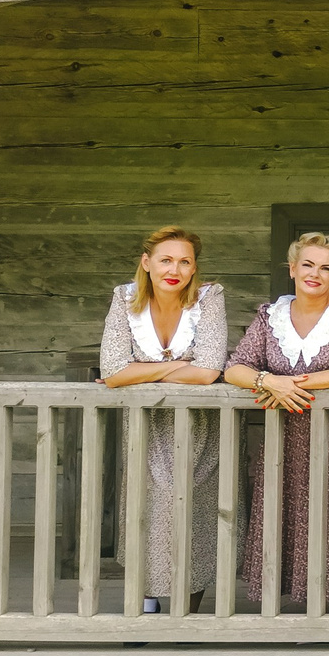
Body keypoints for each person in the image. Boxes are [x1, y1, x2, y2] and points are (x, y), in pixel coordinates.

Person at [226, 232, 329, 612]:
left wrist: (290, 385)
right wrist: (268, 381)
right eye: (307, 264)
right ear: (293, 269)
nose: (315, 273)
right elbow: (235, 368)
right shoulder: (269, 315)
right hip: (283, 437)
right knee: (280, 510)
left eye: (326, 268)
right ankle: (278, 606)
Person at [96, 226, 228, 610]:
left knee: (196, 515)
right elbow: (113, 369)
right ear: (147, 262)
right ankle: (147, 604)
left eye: (185, 261)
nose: (175, 268)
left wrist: (143, 368)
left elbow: (207, 371)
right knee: (150, 512)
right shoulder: (125, 298)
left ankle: (187, 609)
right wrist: (177, 365)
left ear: (193, 268)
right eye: (166, 259)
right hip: (147, 425)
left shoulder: (210, 297)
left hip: (202, 425)